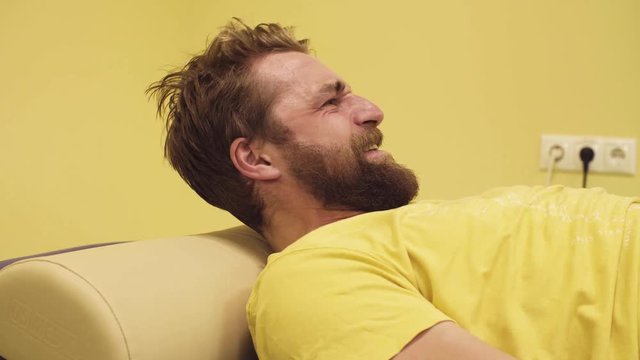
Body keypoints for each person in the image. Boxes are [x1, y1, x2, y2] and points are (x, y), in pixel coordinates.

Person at [148, 19, 640, 359]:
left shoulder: (390, 237)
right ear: (256, 158)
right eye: (330, 103)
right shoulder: (309, 280)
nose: (371, 109)